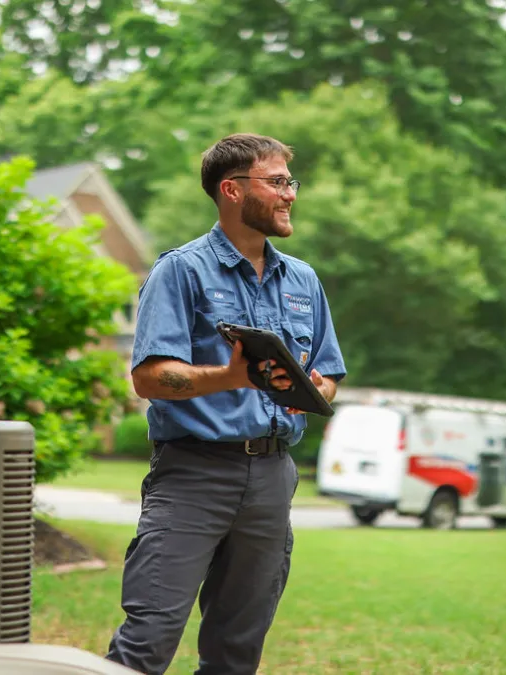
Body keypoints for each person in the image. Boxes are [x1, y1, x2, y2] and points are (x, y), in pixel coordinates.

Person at [105, 133, 346, 674]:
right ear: (232, 190)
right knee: (147, 639)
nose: (290, 195)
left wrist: (305, 391)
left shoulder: (303, 280)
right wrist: (232, 376)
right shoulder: (181, 270)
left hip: (271, 478)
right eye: (278, 182)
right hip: (193, 473)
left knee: (237, 651)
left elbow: (328, 374)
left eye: (291, 183)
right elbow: (149, 377)